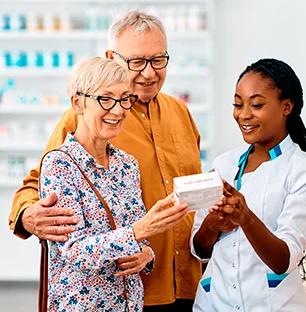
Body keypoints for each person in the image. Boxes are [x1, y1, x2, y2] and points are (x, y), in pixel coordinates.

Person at [9, 10, 202, 311]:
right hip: (119, 291)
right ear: (111, 56)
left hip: (184, 283)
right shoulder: (83, 117)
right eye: (137, 62)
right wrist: (26, 216)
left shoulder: (181, 113)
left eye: (158, 60)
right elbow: (39, 183)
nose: (149, 73)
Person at [39, 56, 189, 311]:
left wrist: (146, 255)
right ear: (78, 102)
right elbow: (73, 251)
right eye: (106, 99)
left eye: (124, 99)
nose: (118, 110)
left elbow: (141, 241)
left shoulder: (127, 164)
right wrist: (138, 232)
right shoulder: (59, 165)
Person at [191, 58, 306, 311]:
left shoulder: (305, 172)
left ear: (287, 106)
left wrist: (246, 218)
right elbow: (200, 249)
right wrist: (212, 225)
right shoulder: (224, 164)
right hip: (213, 303)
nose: (243, 114)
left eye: (256, 104)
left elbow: (283, 260)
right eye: (237, 104)